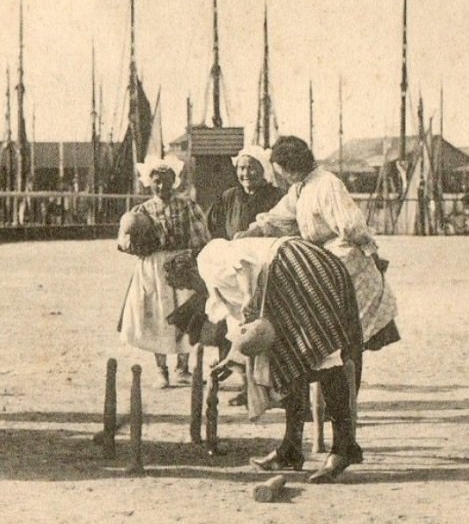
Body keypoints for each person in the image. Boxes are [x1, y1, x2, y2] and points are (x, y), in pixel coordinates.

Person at [168, 237, 362, 483]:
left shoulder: (207, 256)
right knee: (293, 364)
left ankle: (343, 448)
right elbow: (240, 328)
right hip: (282, 282)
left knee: (322, 355)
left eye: (188, 283)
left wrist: (249, 297)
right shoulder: (215, 286)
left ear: (188, 270)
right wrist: (231, 359)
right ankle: (290, 448)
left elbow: (241, 265)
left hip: (292, 267)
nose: (194, 288)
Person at [237, 136, 399, 370]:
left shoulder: (327, 184)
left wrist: (369, 250)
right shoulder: (300, 188)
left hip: (344, 255)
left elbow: (352, 226)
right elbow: (280, 216)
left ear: (292, 167)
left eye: (281, 170)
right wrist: (255, 229)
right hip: (320, 256)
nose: (280, 175)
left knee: (342, 329)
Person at [117, 155, 210, 389]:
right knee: (157, 316)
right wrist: (134, 240)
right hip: (152, 267)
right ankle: (161, 370)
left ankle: (183, 368)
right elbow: (124, 244)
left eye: (166, 180)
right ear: (149, 182)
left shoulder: (188, 205)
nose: (161, 186)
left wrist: (193, 257)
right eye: (156, 180)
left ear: (174, 180)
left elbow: (202, 238)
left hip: (182, 263)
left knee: (185, 313)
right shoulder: (141, 211)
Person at [204, 146, 284, 405]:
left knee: (267, 329)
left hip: (266, 271)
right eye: (241, 167)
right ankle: (246, 387)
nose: (246, 173)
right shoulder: (228, 197)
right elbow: (214, 231)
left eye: (252, 167)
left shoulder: (277, 197)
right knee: (234, 327)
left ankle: (274, 387)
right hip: (235, 273)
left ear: (264, 170)